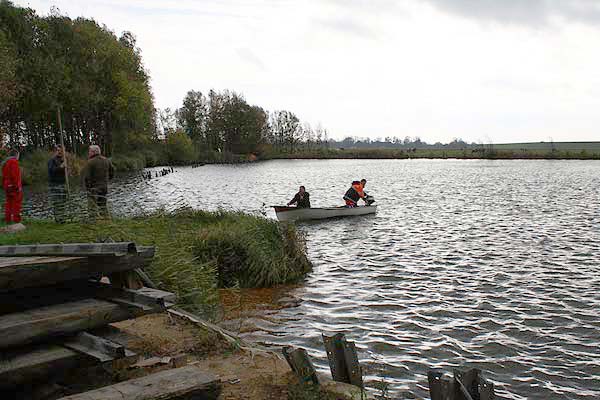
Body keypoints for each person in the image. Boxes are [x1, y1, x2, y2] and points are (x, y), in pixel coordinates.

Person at [82, 145, 114, 219]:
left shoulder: (90, 162)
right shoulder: (106, 160)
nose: (89, 153)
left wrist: (88, 188)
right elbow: (112, 171)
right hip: (104, 187)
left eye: (89, 152)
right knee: (103, 206)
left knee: (92, 207)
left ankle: (93, 221)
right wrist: (108, 179)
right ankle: (106, 220)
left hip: (94, 188)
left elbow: (87, 177)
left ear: (93, 152)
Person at [2, 149, 23, 224]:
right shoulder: (14, 162)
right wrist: (17, 186)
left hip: (7, 185)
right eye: (18, 156)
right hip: (13, 186)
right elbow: (15, 175)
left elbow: (3, 176)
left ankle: (8, 220)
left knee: (9, 203)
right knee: (17, 203)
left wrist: (4, 185)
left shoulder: (5, 163)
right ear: (16, 155)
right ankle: (16, 221)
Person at [48, 145, 67, 223]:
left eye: (61, 151)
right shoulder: (52, 160)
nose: (60, 152)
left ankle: (62, 217)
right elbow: (52, 171)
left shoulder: (63, 159)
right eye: (58, 150)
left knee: (63, 201)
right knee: (57, 202)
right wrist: (61, 167)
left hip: (63, 183)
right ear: (55, 151)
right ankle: (58, 219)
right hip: (55, 184)